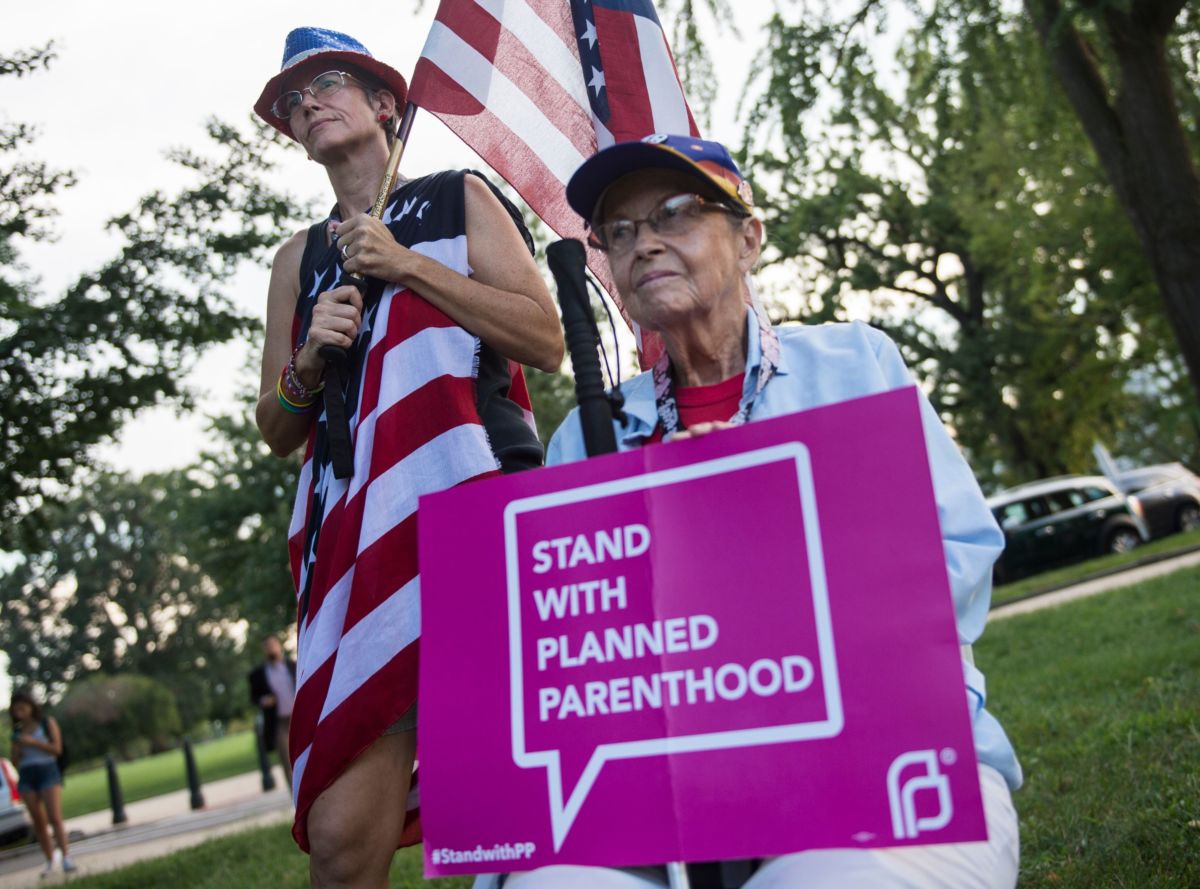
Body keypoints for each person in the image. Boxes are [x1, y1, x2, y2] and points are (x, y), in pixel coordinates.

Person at [525, 135, 1022, 888]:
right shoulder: (587, 439)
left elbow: (956, 559)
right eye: (619, 231)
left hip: (887, 766)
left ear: (750, 237)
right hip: (663, 808)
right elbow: (561, 653)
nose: (643, 242)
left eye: (674, 213)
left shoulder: (857, 366)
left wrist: (761, 519)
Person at [253, 26, 563, 888]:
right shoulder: (297, 260)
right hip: (356, 542)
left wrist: (408, 268)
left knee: (515, 801)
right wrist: (306, 364)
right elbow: (276, 428)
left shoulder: (457, 198)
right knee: (342, 833)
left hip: (478, 512)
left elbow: (544, 340)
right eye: (291, 99)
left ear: (387, 103)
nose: (306, 102)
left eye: (329, 83)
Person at [9, 689, 75, 876]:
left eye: (22, 707)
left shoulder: (47, 724)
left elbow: (57, 749)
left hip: (48, 770)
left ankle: (66, 856)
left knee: (54, 816)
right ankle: (49, 859)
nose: (19, 712)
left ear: (31, 707)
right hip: (27, 773)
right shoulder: (17, 732)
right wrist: (17, 749)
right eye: (16, 709)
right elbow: (15, 762)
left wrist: (33, 743)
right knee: (38, 820)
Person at [247, 634, 297, 790]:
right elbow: (254, 697)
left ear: (279, 645)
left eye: (273, 644)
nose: (271, 648)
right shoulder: (259, 675)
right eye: (267, 645)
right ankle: (296, 799)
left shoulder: (293, 666)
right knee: (288, 763)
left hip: (299, 719)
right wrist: (263, 701)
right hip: (279, 723)